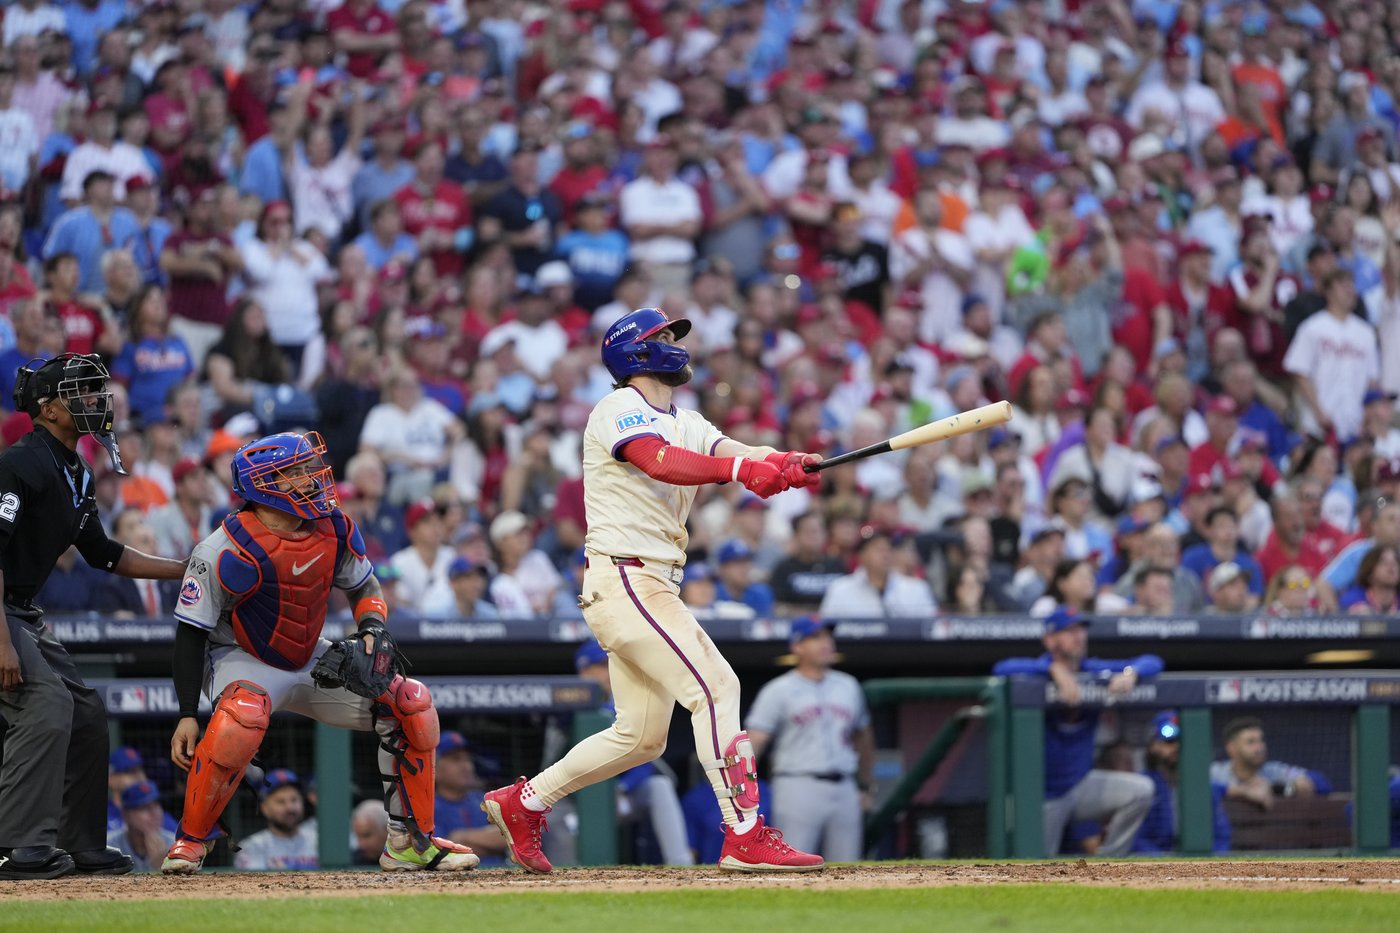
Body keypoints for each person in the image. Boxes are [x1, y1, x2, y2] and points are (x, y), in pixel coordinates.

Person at [480, 307, 826, 873]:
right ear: (636, 352)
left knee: (640, 737)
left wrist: (786, 462)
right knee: (717, 688)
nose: (676, 345)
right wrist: (745, 473)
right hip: (626, 576)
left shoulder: (686, 419)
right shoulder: (617, 408)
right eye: (664, 336)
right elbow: (659, 462)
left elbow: (729, 452)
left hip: (648, 582)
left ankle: (523, 802)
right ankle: (744, 832)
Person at [160, 431, 477, 874]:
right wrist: (188, 712)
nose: (311, 478)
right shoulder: (220, 547)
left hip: (310, 655)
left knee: (412, 703)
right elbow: (189, 635)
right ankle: (191, 840)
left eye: (310, 468)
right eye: (296, 472)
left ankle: (410, 841)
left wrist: (371, 626)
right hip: (242, 657)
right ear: (264, 484)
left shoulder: (333, 524)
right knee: (243, 717)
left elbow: (365, 586)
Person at [0, 354, 187, 881]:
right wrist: (3, 644)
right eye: (81, 393)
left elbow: (104, 553)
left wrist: (183, 568)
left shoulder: (75, 468)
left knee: (85, 713)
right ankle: (17, 847)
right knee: (47, 702)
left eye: (95, 391)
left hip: (19, 610)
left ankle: (76, 844)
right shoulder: (21, 462)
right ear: (49, 408)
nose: (95, 402)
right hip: (2, 611)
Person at [992, 607, 1163, 857]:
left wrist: (1131, 674)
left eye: (1081, 630)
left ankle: (1107, 864)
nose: (1078, 636)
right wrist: (1052, 670)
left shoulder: (1093, 669)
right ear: (1050, 640)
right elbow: (1001, 668)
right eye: (1069, 631)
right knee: (1035, 869)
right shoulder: (1034, 671)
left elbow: (1153, 660)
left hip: (1081, 785)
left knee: (1141, 790)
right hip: (1040, 794)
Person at [746, 617, 875, 863]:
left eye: (828, 637)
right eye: (816, 638)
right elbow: (754, 742)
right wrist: (747, 794)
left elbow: (864, 737)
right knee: (793, 866)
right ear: (797, 647)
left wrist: (866, 785)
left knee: (847, 870)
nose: (826, 643)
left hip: (844, 786)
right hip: (797, 785)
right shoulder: (777, 690)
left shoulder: (848, 686)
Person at [572, 639, 694, 866]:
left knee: (659, 787)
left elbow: (645, 762)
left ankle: (681, 864)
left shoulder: (627, 703)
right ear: (583, 671)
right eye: (600, 666)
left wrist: (621, 788)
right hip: (576, 798)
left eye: (612, 664)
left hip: (621, 793)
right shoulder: (567, 708)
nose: (608, 672)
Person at [1132, 712, 1231, 854]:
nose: (1177, 747)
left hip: (1201, 865)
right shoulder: (1143, 785)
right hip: (1157, 866)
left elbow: (1222, 837)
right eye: (1169, 742)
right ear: (1153, 746)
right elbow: (1137, 841)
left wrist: (1210, 865)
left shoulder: (1203, 784)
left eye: (1182, 741)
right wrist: (1167, 865)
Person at [818, 527, 938, 618]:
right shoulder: (840, 588)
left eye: (888, 549)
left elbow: (931, 627)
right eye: (878, 549)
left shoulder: (916, 588)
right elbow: (829, 628)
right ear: (861, 556)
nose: (885, 555)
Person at [1210, 717, 1326, 810]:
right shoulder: (1217, 772)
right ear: (1232, 748)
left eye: (1261, 740)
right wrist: (1245, 791)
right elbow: (1199, 789)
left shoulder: (1272, 771)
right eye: (1250, 742)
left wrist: (1276, 789)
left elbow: (1322, 783)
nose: (1259, 747)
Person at [433, 731, 507, 868]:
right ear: (435, 770)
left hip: (500, 876)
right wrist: (489, 841)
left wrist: (461, 837)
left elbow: (513, 836)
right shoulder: (427, 808)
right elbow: (440, 853)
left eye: (468, 759)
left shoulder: (485, 799)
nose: (466, 766)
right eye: (456, 759)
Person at [233, 769, 318, 871]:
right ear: (265, 808)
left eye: (294, 800)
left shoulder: (319, 840)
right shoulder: (252, 847)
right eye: (280, 802)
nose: (290, 808)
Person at [106, 780, 176, 873]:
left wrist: (161, 867)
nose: (154, 813)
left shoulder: (175, 846)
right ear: (126, 815)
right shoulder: (109, 846)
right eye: (144, 807)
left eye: (156, 805)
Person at [350, 799, 389, 867]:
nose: (361, 844)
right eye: (358, 836)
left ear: (386, 830)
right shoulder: (352, 862)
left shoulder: (404, 861)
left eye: (366, 835)